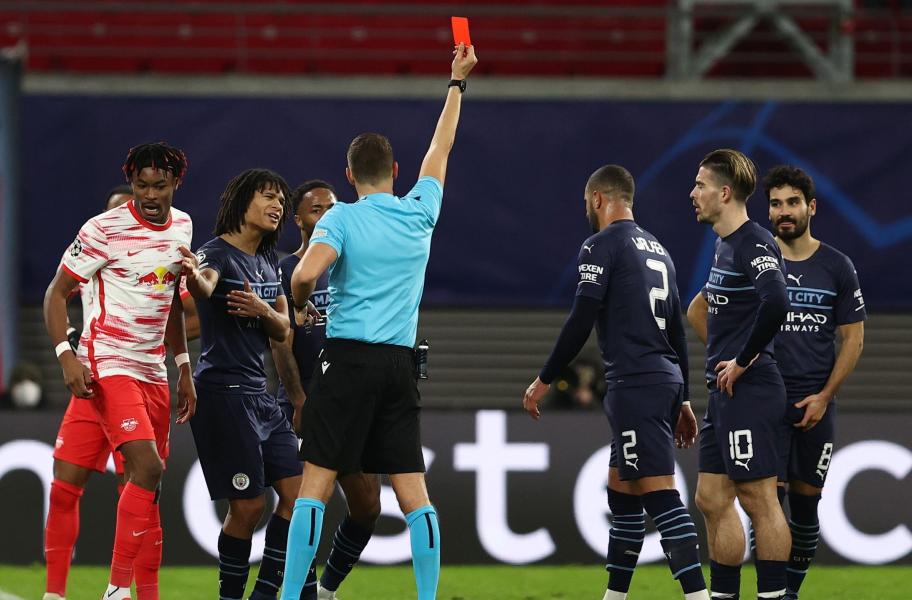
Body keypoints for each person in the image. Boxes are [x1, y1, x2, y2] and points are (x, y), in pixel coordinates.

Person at [278, 42, 478, 600]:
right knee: (414, 493)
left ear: (348, 174)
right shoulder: (420, 212)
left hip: (345, 360)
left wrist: (299, 304)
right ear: (394, 171)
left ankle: (294, 596)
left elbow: (302, 277)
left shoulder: (339, 217)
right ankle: (427, 597)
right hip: (399, 365)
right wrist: (457, 83)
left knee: (314, 488)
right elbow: (442, 146)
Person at [522, 165, 708, 600]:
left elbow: (581, 317)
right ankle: (615, 596)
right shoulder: (659, 250)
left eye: (588, 203)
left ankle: (699, 596)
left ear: (599, 200)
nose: (587, 210)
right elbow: (677, 332)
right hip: (661, 381)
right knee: (622, 494)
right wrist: (682, 397)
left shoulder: (601, 244)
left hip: (636, 382)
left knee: (661, 495)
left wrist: (545, 378)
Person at [43, 142, 196, 600]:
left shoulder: (184, 226)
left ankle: (146, 593)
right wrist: (65, 355)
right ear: (131, 183)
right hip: (105, 364)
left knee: (147, 484)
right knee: (135, 470)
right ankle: (107, 590)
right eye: (141, 185)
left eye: (159, 185)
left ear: (176, 184)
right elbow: (56, 292)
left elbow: (172, 302)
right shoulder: (102, 230)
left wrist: (184, 366)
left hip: (153, 371)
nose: (149, 194)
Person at [180, 169, 316, 600]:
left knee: (298, 500)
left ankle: (265, 593)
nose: (279, 206)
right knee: (250, 507)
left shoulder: (266, 263)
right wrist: (191, 275)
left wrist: (261, 308)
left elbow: (282, 328)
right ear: (243, 202)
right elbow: (204, 287)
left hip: (260, 397)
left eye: (282, 200)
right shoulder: (215, 253)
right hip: (223, 395)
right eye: (269, 197)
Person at [686, 149, 791, 600]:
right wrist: (719, 354)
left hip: (751, 387)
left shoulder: (754, 242)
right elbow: (701, 308)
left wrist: (743, 359)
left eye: (701, 185)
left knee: (758, 499)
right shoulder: (724, 244)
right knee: (710, 498)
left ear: (724, 193)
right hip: (724, 391)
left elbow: (778, 302)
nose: (693, 194)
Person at [271, 179, 381, 600]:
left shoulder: (350, 268)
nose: (325, 214)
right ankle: (298, 592)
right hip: (305, 402)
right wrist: (297, 398)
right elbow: (279, 342)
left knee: (368, 506)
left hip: (351, 402)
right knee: (304, 503)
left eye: (332, 207)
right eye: (315, 209)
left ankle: (327, 589)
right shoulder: (284, 272)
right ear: (297, 219)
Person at [763, 165, 865, 600]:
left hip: (814, 406)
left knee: (805, 511)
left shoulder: (837, 266)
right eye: (775, 203)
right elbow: (701, 308)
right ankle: (771, 593)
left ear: (811, 208)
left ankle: (791, 594)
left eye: (792, 203)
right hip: (766, 402)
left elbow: (854, 338)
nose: (783, 212)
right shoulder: (756, 259)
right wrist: (741, 363)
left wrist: (825, 396)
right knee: (768, 508)